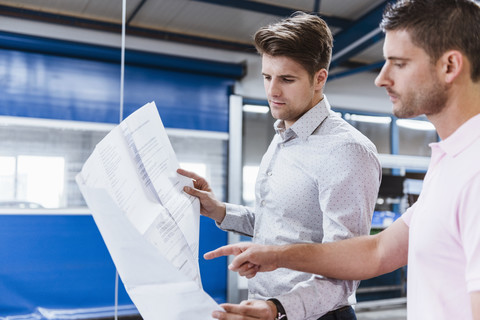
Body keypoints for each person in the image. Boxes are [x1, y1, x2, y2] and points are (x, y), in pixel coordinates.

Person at [204, 0, 480, 319]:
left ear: (449, 66)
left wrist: (280, 298)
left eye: (399, 63)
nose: (381, 78)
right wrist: (275, 256)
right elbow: (375, 252)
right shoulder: (447, 162)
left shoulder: (473, 171)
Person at [178, 11, 381, 320]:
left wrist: (279, 309)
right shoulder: (284, 135)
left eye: (287, 79)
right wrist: (219, 210)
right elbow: (280, 226)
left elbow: (347, 267)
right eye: (267, 77)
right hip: (269, 308)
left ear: (319, 78)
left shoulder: (346, 150)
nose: (272, 91)